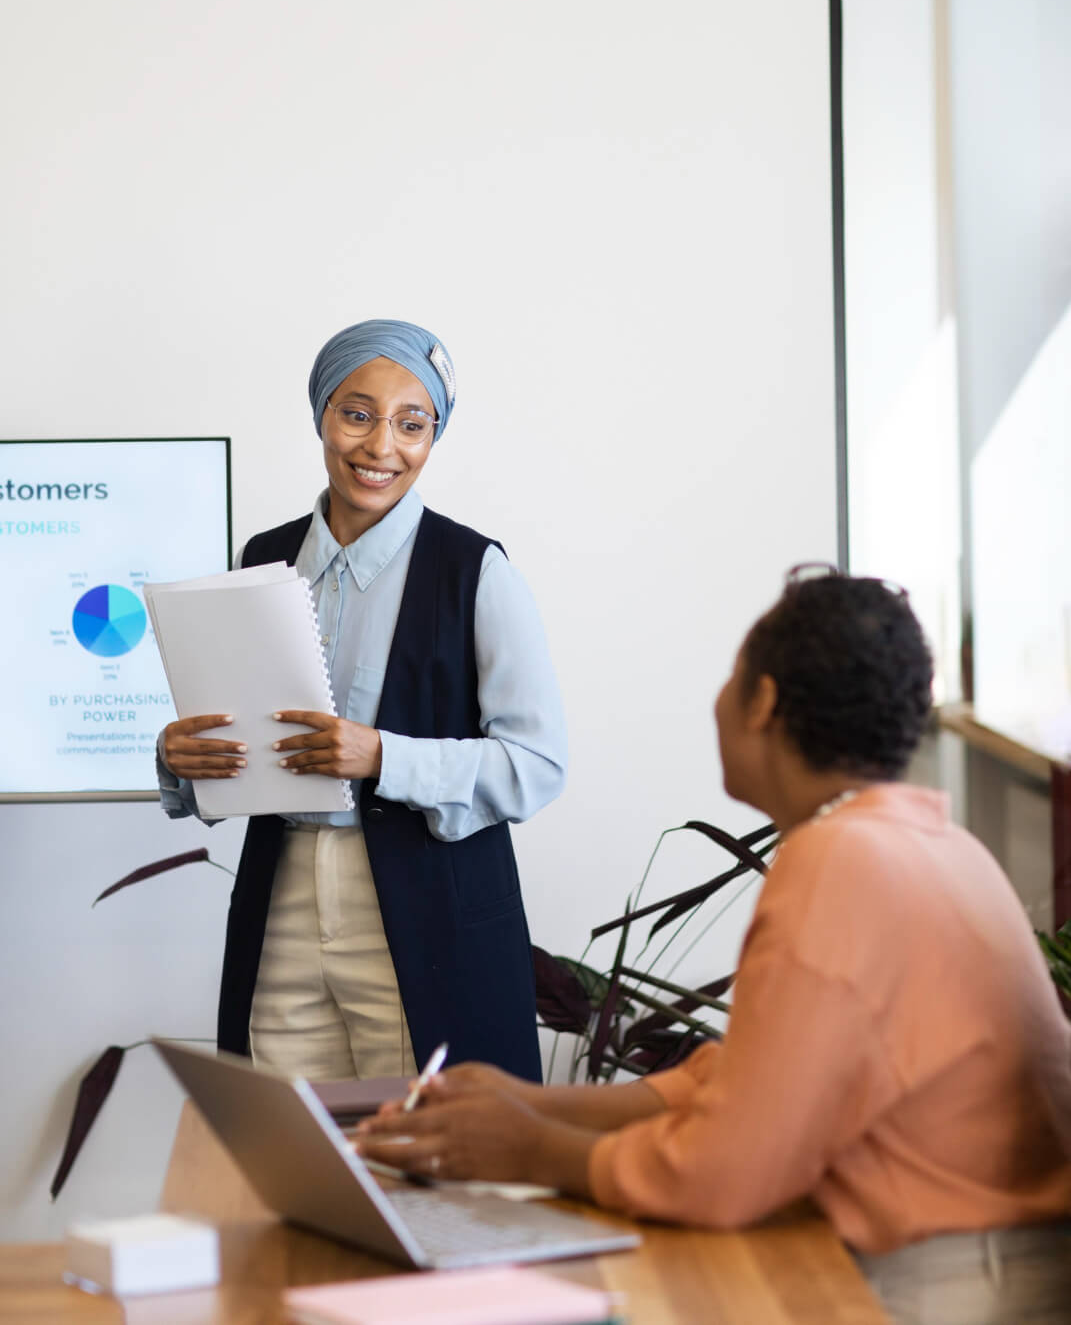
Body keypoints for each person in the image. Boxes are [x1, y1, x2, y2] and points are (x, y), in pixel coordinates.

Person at [358, 567, 1071, 1325]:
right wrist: (528, 1104)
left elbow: (723, 1174)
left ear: (761, 700)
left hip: (942, 1290)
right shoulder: (934, 844)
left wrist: (523, 1146)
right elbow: (743, 1080)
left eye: (731, 677)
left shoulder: (840, 864)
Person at [157, 318, 566, 1083]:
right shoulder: (261, 559)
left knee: (431, 1160)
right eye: (357, 413)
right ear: (321, 415)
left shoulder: (475, 570)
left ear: (433, 438)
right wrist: (182, 757)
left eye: (413, 424)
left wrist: (382, 756)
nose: (381, 446)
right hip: (283, 889)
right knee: (291, 1142)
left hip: (425, 902)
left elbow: (536, 763)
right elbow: (240, 737)